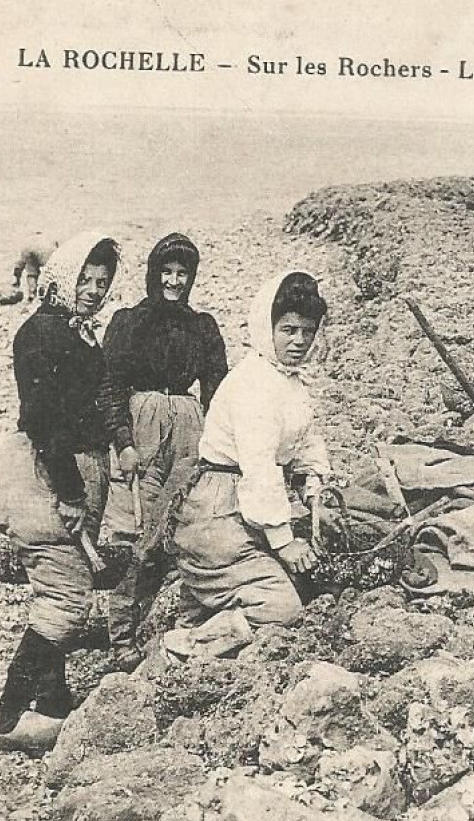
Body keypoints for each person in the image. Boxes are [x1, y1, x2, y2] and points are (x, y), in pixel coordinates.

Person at [0, 232, 121, 749]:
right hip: (43, 474)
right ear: (63, 277)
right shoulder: (40, 333)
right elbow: (44, 422)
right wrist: (69, 491)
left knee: (59, 581)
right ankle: (10, 715)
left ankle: (52, 699)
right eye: (84, 280)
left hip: (64, 470)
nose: (93, 291)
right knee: (67, 596)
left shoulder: (71, 330)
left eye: (102, 283)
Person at [168, 270, 332, 636]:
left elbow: (305, 438)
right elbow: (259, 466)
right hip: (217, 513)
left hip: (243, 508)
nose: (299, 341)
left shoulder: (288, 381)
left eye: (307, 332)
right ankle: (189, 644)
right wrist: (284, 541)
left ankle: (199, 627)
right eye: (289, 330)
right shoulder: (255, 384)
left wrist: (313, 484)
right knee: (282, 607)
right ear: (267, 328)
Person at [98, 233, 229, 665]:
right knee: (133, 530)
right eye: (167, 273)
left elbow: (218, 391)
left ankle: (170, 630)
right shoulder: (129, 321)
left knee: (182, 528)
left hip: (189, 427)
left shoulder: (202, 326)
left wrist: (220, 443)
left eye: (182, 274)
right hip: (144, 423)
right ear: (154, 274)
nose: (174, 282)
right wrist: (123, 440)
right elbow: (111, 384)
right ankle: (121, 638)